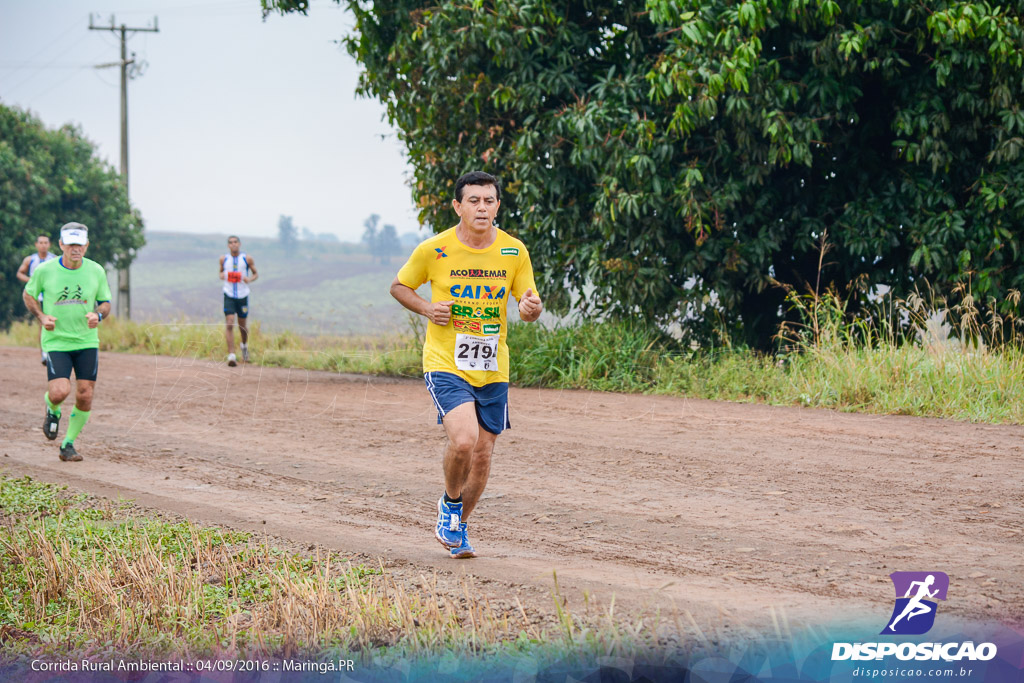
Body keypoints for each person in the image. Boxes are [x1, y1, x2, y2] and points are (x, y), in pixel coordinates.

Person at [390, 171, 543, 559]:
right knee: (463, 440)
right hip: (446, 360)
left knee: (483, 453)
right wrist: (427, 308)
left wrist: (530, 309)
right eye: (473, 200)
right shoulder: (434, 249)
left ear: (497, 207)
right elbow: (399, 286)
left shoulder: (514, 251)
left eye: (489, 201)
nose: (482, 207)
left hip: (493, 365)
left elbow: (529, 306)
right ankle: (451, 504)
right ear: (458, 206)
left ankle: (455, 522)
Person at [22, 222, 111, 462]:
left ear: (86, 245)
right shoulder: (45, 270)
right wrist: (41, 317)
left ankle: (68, 444)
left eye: (79, 244)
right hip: (57, 341)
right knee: (60, 392)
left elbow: (105, 302)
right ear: (61, 244)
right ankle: (52, 409)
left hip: (87, 341)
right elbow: (28, 294)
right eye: (70, 244)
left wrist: (98, 314)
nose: (75, 249)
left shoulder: (96, 271)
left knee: (85, 395)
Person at [16, 234, 57, 365]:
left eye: (46, 242)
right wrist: (31, 281)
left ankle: (55, 350)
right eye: (41, 242)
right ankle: (44, 353)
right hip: (37, 296)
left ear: (49, 244)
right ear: (36, 244)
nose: (43, 245)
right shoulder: (30, 259)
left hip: (52, 295)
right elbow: (19, 273)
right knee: (42, 323)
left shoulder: (54, 259)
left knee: (55, 322)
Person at [219, 235, 258, 366]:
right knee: (229, 323)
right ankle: (231, 355)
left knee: (242, 326)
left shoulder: (246, 258)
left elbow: (255, 274)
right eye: (231, 242)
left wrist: (249, 279)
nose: (233, 244)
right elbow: (220, 273)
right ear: (228, 245)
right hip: (229, 294)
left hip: (242, 295)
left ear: (239, 244)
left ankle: (244, 346)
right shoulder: (224, 259)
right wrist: (222, 275)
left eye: (235, 242)